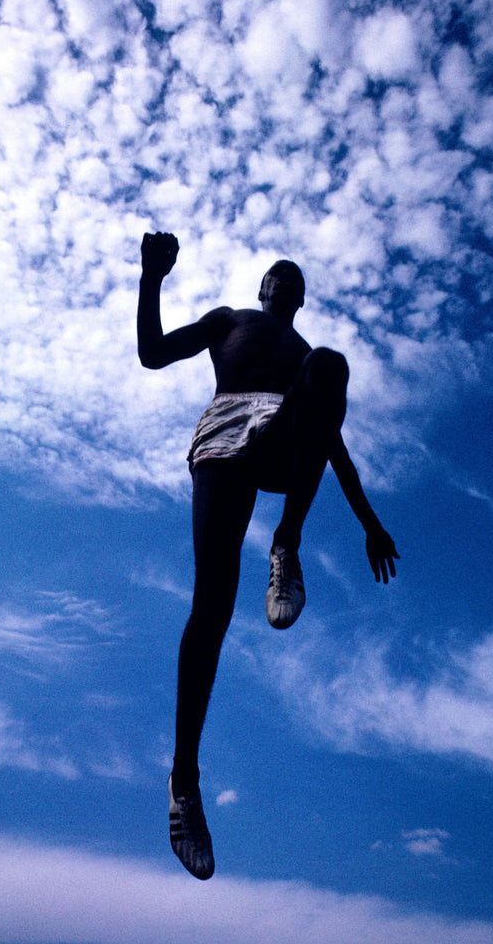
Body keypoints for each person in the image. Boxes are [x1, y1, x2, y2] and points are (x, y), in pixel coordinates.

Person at [137, 231, 399, 880]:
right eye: (277, 273)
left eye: (295, 276)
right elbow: (150, 353)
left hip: (282, 429)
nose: (285, 278)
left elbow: (332, 449)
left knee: (331, 366)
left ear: (302, 297)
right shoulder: (230, 321)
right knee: (213, 605)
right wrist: (151, 276)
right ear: (263, 287)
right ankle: (184, 784)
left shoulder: (308, 358)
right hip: (227, 431)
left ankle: (287, 541)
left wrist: (369, 519)